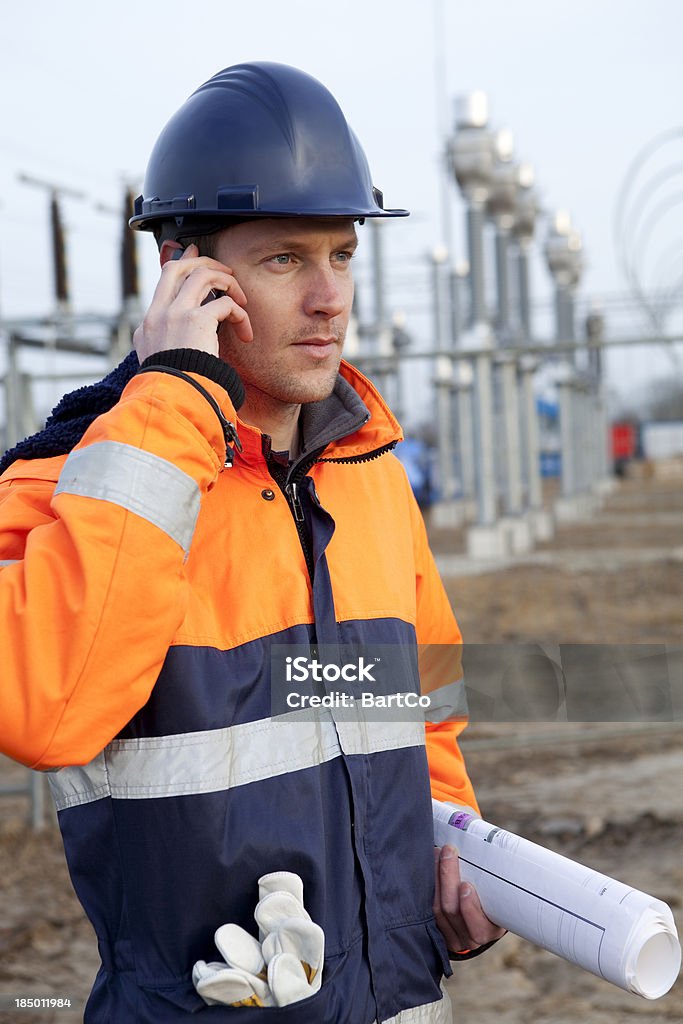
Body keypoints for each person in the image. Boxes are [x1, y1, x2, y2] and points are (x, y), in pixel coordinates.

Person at [0, 62, 504, 1022]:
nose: (329, 300)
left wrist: (453, 857)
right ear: (185, 276)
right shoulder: (75, 484)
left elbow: (423, 715)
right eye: (285, 261)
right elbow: (45, 711)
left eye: (343, 256)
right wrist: (172, 399)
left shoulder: (369, 474)